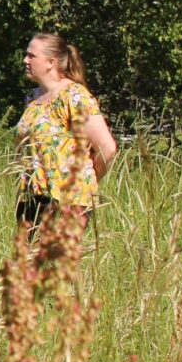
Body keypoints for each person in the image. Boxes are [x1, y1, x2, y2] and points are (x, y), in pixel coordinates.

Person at [16, 32, 117, 233]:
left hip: (68, 201)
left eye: (31, 55)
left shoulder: (74, 96)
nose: (25, 60)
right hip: (32, 199)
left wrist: (86, 180)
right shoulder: (33, 98)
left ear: (50, 62)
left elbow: (107, 148)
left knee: (57, 263)